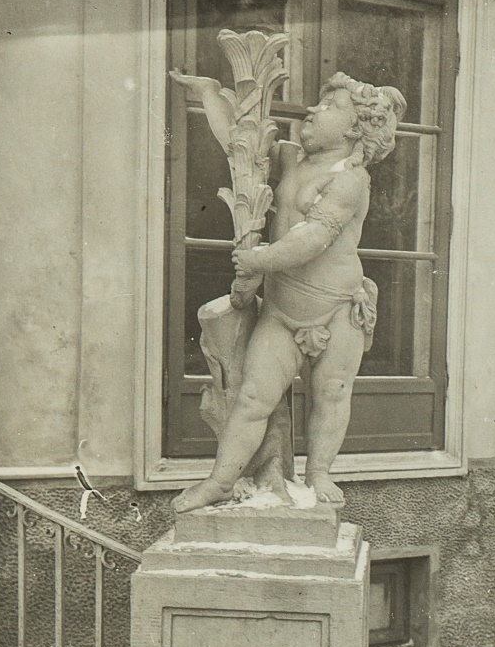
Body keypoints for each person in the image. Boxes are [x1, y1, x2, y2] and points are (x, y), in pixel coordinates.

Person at [170, 70, 407, 513]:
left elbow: (313, 239)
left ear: (355, 129)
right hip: (281, 310)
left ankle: (319, 472)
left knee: (332, 394)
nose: (313, 110)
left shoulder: (350, 180)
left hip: (338, 310)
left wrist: (258, 262)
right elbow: (240, 148)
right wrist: (209, 95)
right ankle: (220, 481)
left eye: (330, 106)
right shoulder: (292, 159)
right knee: (253, 397)